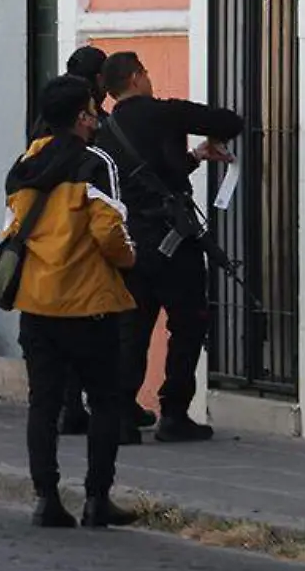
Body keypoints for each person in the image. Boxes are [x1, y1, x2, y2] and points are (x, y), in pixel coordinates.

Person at [6, 76, 138, 529]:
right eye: (91, 109)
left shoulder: (29, 159)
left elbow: (14, 221)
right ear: (82, 116)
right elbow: (108, 230)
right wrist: (129, 257)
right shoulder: (94, 163)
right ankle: (97, 497)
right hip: (87, 303)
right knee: (103, 401)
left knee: (44, 404)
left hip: (37, 302)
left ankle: (46, 497)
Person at [95, 50, 241, 444]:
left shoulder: (103, 132)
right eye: (145, 74)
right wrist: (203, 138)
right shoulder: (166, 113)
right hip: (174, 243)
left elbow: (151, 174)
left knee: (132, 328)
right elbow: (230, 121)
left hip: (127, 241)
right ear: (137, 78)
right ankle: (174, 413)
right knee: (188, 324)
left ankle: (123, 413)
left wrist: (193, 156)